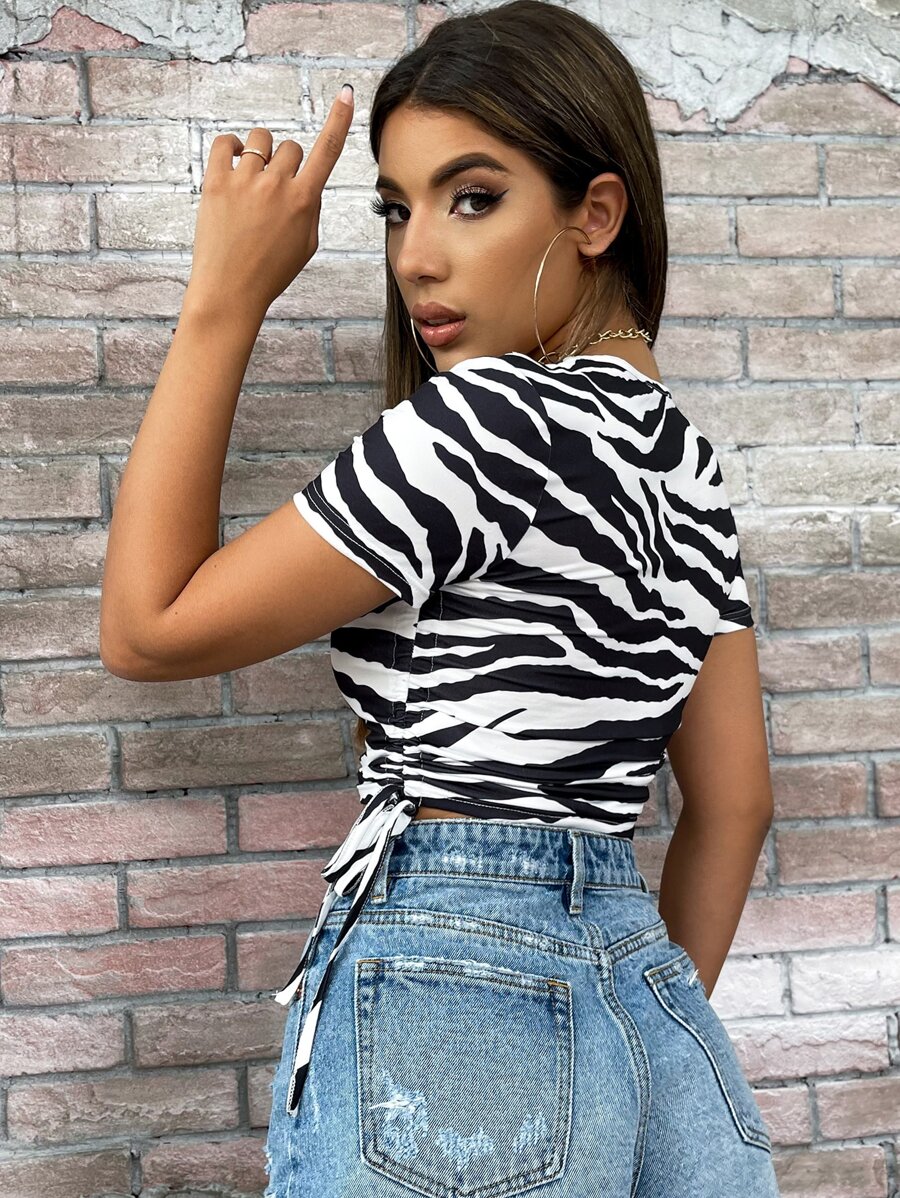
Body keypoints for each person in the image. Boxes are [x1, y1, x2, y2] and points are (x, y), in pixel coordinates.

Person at [99, 1, 779, 1194]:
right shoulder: (688, 465)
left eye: (471, 198)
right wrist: (603, 1039)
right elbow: (735, 806)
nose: (416, 255)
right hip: (650, 1014)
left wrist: (224, 298)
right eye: (396, 208)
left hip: (453, 993)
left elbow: (147, 628)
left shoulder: (484, 421)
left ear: (596, 214)